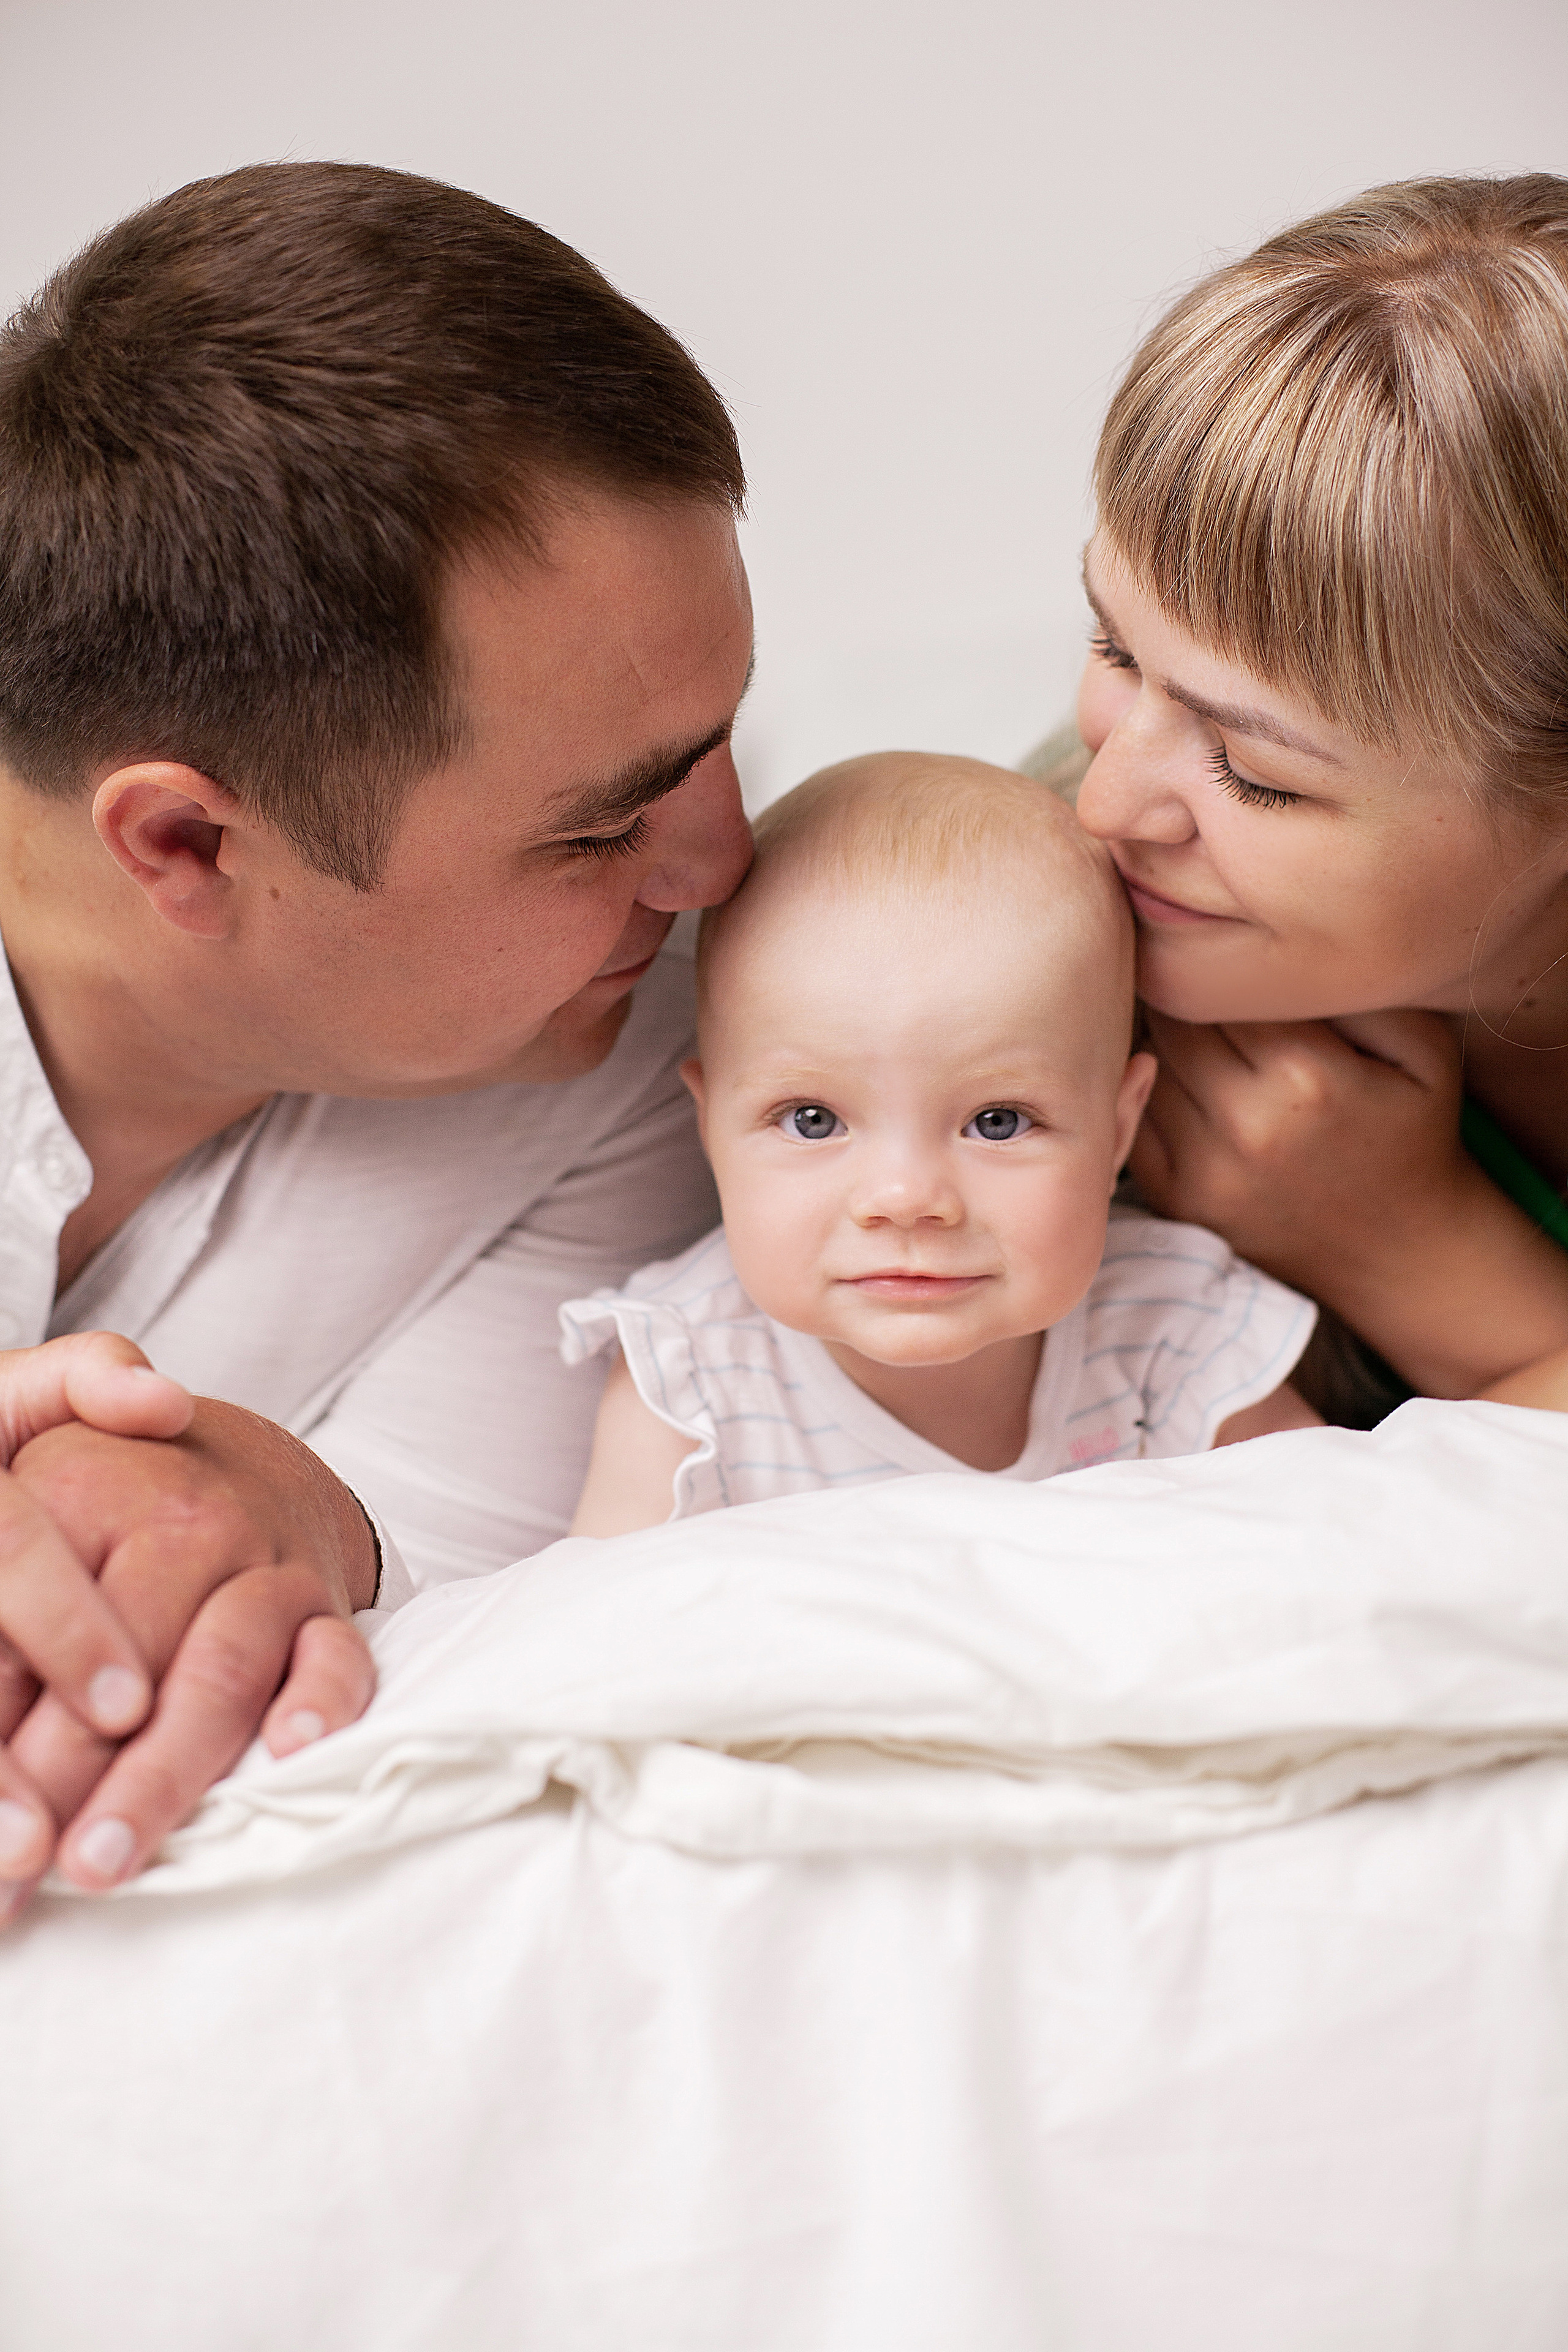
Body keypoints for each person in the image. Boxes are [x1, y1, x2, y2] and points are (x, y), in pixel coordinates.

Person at [0, 160, 752, 1912]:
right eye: (601, 825)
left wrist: (298, 1505)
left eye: (720, 735)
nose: (721, 859)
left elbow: (480, 1545)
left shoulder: (663, 1015)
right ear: (185, 844)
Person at [1058, 173, 1568, 1427]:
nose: (1103, 803)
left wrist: (1402, 1251)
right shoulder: (1019, 906)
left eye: (1255, 773)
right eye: (1113, 650)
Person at [562, 752, 1320, 1536]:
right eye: (812, 1120)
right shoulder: (690, 1382)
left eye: (997, 1121)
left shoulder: (1173, 1325)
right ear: (711, 1127)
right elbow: (605, 1644)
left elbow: (1340, 1553)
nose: (905, 1199)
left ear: (1118, 1127)